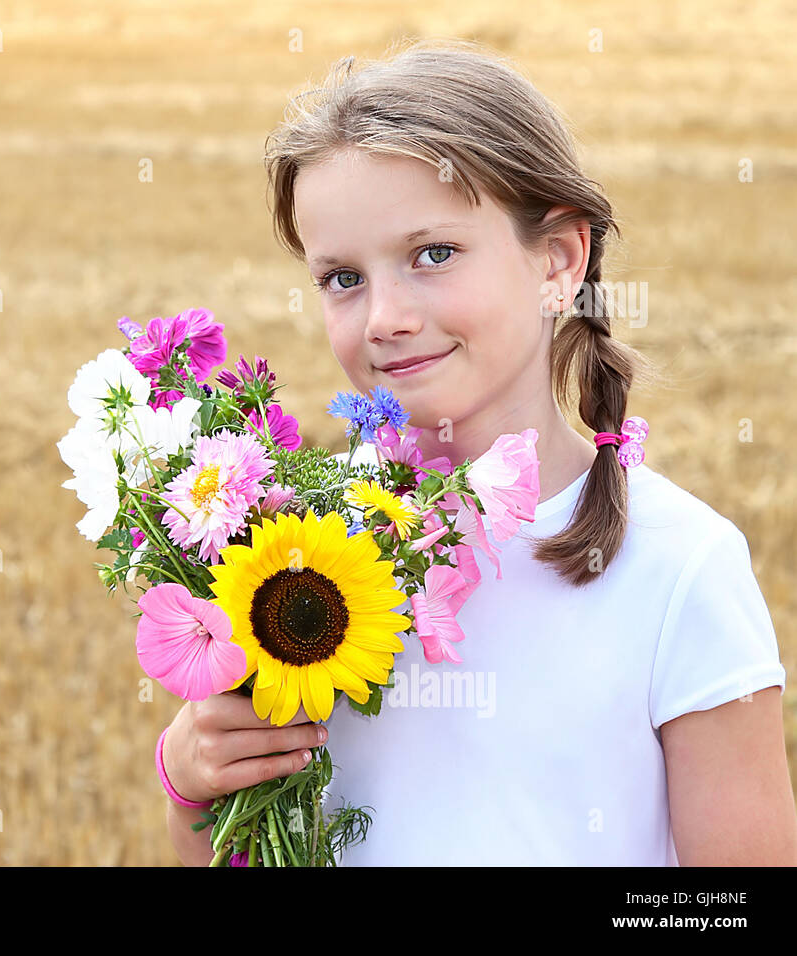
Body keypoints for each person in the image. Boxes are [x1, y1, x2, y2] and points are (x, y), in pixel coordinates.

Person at [161, 38, 795, 866]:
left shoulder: (680, 569)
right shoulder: (291, 552)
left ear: (558, 261)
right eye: (342, 278)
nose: (384, 315)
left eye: (434, 254)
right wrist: (189, 781)